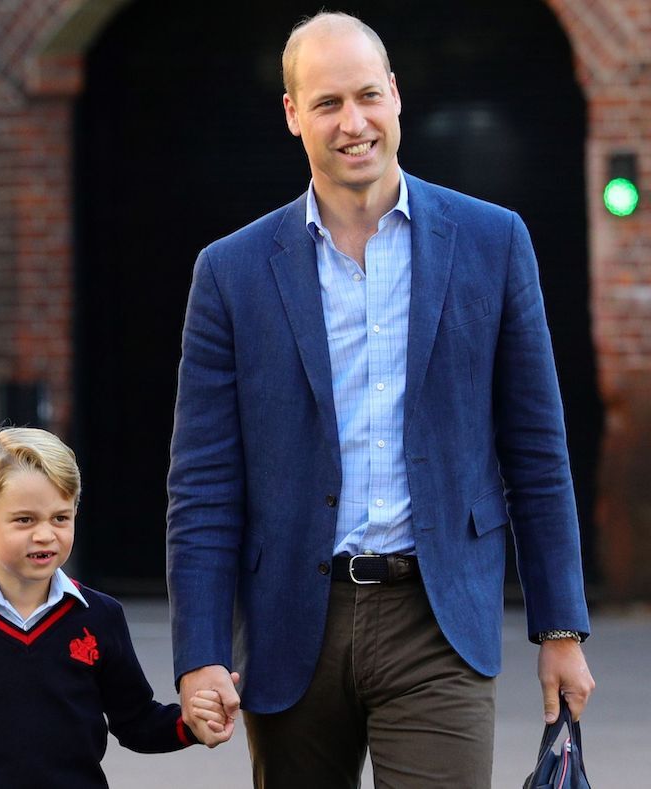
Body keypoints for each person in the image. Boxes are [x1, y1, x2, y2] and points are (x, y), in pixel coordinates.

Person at [166, 11, 595, 786]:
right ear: (294, 115)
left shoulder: (493, 243)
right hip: (294, 620)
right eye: (327, 103)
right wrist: (200, 652)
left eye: (367, 95)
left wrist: (559, 627)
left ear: (395, 96)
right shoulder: (230, 272)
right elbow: (202, 485)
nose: (353, 122)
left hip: (439, 619)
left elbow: (537, 451)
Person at [0, 427, 230, 788]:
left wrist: (191, 724)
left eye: (60, 518)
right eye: (25, 520)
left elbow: (136, 722)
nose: (45, 534)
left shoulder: (101, 616)